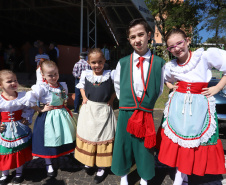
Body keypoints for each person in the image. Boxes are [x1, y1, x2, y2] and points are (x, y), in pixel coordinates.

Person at [157, 28, 226, 185]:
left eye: (179, 43)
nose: (177, 48)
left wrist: (217, 88)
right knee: (180, 140)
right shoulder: (171, 66)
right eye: (171, 47)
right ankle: (181, 175)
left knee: (196, 140)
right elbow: (166, 78)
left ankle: (188, 173)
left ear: (187, 41)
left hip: (199, 106)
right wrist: (171, 86)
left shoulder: (203, 57)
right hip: (178, 106)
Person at [111, 18, 165, 185]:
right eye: (133, 37)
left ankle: (144, 176)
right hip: (127, 110)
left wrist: (145, 104)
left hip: (146, 111)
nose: (137, 40)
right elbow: (118, 85)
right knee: (123, 144)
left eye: (141, 35)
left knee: (145, 147)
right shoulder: (123, 62)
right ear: (129, 40)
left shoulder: (159, 63)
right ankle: (124, 175)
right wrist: (129, 102)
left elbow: (160, 87)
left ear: (149, 36)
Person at [19, 60, 77, 177]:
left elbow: (65, 98)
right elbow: (28, 99)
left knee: (65, 135)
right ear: (43, 75)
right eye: (50, 75)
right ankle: (48, 163)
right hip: (48, 118)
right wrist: (40, 110)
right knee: (48, 140)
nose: (53, 77)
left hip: (62, 115)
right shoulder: (42, 88)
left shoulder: (62, 86)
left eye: (55, 74)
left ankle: (67, 153)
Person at [74, 48, 117, 184]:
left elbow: (116, 89)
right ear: (88, 62)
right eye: (93, 62)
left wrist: (111, 100)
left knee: (104, 136)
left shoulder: (110, 74)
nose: (97, 65)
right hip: (89, 109)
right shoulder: (86, 74)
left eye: (100, 62)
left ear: (104, 61)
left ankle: (102, 166)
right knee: (89, 135)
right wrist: (84, 98)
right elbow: (81, 86)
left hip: (104, 109)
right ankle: (88, 161)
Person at [0, 70, 34, 184]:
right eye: (9, 81)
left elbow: (28, 108)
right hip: (4, 130)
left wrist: (26, 117)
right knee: (4, 152)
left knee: (19, 151)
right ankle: (4, 174)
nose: (14, 83)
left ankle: (19, 172)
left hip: (20, 128)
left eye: (15, 80)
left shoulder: (23, 96)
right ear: (1, 85)